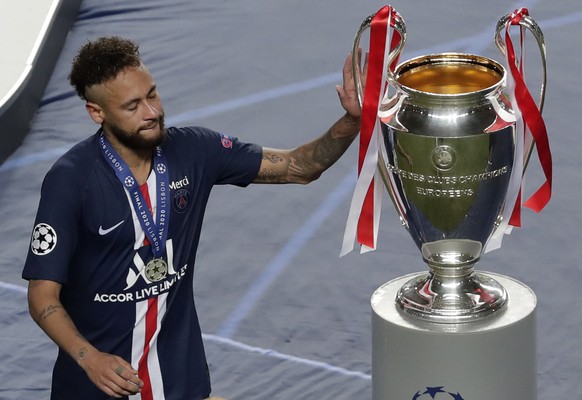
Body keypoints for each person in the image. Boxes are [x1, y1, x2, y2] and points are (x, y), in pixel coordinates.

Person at [22, 36, 366, 400]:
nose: (151, 112)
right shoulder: (71, 180)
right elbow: (42, 297)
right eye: (132, 106)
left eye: (152, 95)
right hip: (99, 386)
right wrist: (89, 358)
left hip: (178, 381)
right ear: (97, 112)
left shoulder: (194, 151)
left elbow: (299, 166)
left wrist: (351, 120)